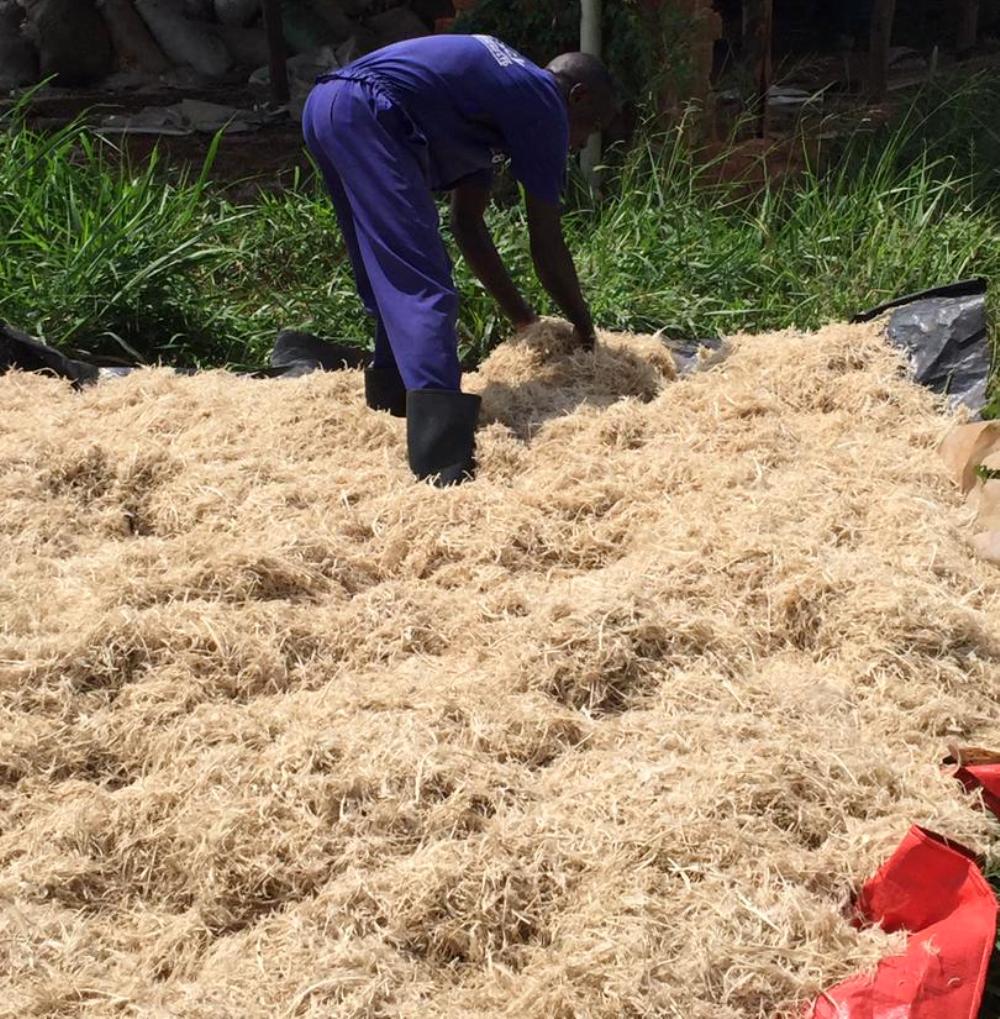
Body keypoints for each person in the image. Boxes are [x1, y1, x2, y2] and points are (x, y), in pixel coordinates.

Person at [302, 34, 617, 486]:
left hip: (328, 107)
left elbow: (468, 225)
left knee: (388, 274)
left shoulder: (493, 101)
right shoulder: (543, 103)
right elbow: (546, 243)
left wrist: (525, 321)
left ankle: (394, 399)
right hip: (370, 111)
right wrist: (586, 330)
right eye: (591, 126)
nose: (581, 143)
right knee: (423, 286)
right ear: (577, 96)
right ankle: (443, 464)